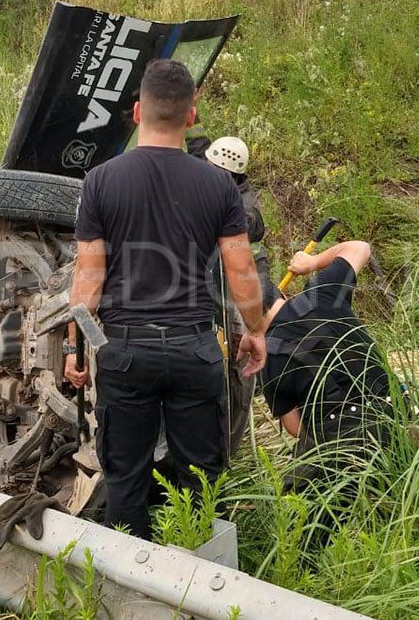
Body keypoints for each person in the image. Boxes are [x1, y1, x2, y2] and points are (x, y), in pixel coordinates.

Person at [64, 59, 268, 540]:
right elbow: (241, 274)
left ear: (137, 112)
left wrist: (77, 349)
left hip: (125, 352)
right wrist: (254, 334)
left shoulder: (101, 181)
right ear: (191, 116)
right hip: (194, 350)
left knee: (126, 479)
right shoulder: (219, 185)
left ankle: (129, 592)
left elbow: (87, 281)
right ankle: (195, 584)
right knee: (199, 480)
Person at [259, 239, 393, 490]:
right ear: (283, 295)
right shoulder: (323, 291)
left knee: (294, 494)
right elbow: (361, 247)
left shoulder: (266, 356)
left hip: (339, 450)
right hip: (397, 416)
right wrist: (312, 263)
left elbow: (295, 428)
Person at [187, 132, 280, 311]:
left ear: (231, 176)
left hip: (243, 266)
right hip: (207, 268)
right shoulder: (208, 170)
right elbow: (197, 145)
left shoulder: (245, 205)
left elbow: (250, 227)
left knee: (259, 301)